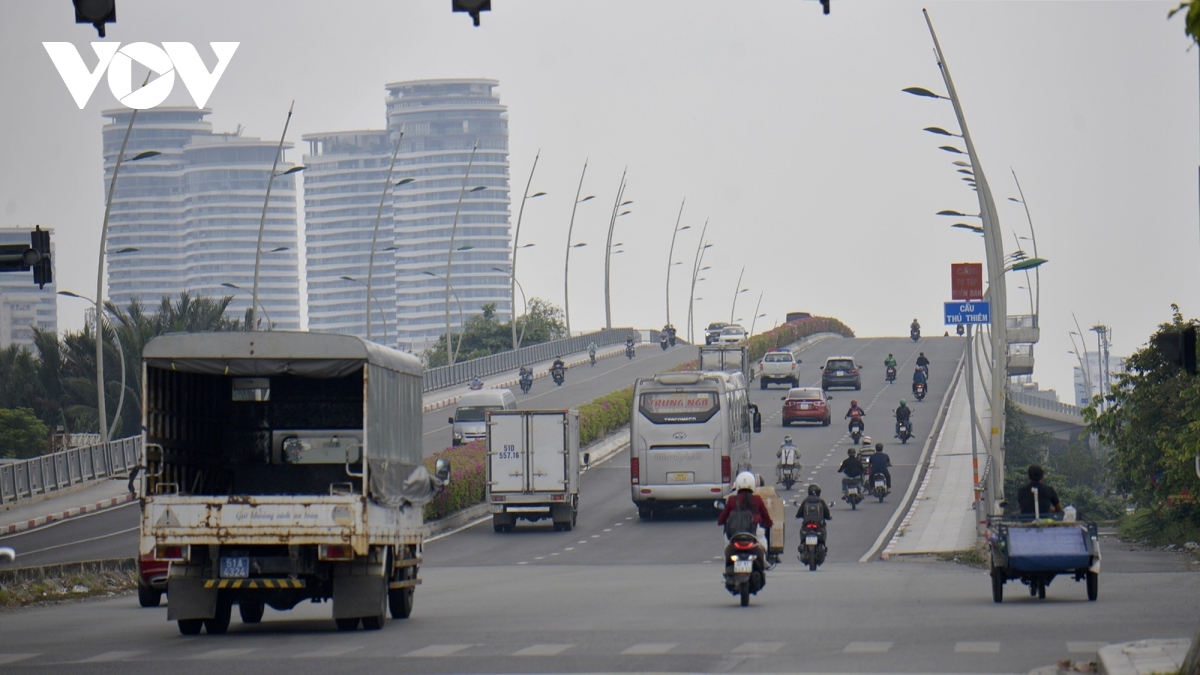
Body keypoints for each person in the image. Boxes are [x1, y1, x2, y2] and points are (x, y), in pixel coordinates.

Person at [717, 471, 774, 551]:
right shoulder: (757, 499)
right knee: (763, 547)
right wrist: (769, 523)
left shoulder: (731, 500)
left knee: (727, 548)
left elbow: (721, 520)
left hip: (734, 534)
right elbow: (765, 517)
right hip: (755, 533)